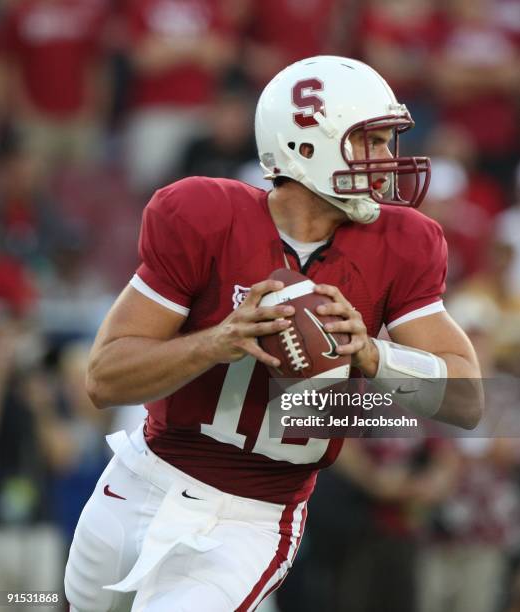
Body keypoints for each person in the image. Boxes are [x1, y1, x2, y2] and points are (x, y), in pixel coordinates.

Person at [64, 56, 482, 611]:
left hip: (252, 518)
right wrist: (215, 341)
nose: (387, 162)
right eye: (373, 143)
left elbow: (470, 399)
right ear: (305, 145)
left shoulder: (402, 245)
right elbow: (103, 378)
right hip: (142, 479)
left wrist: (373, 355)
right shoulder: (205, 215)